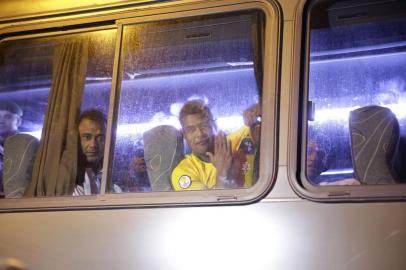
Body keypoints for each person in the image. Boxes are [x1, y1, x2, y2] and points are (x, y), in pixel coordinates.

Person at [171, 100, 260, 190]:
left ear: (214, 124)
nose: (199, 134)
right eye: (191, 130)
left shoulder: (238, 140)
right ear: (184, 135)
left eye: (204, 125)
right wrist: (222, 174)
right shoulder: (184, 172)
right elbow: (209, 203)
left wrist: (257, 109)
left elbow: (264, 126)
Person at [73, 109, 121, 195]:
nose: (93, 145)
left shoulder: (115, 177)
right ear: (77, 140)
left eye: (100, 138)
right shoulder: (69, 179)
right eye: (87, 137)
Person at [0, 101, 23, 197]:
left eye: (7, 117)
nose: (1, 121)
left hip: (15, 199)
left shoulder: (25, 144)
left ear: (18, 121)